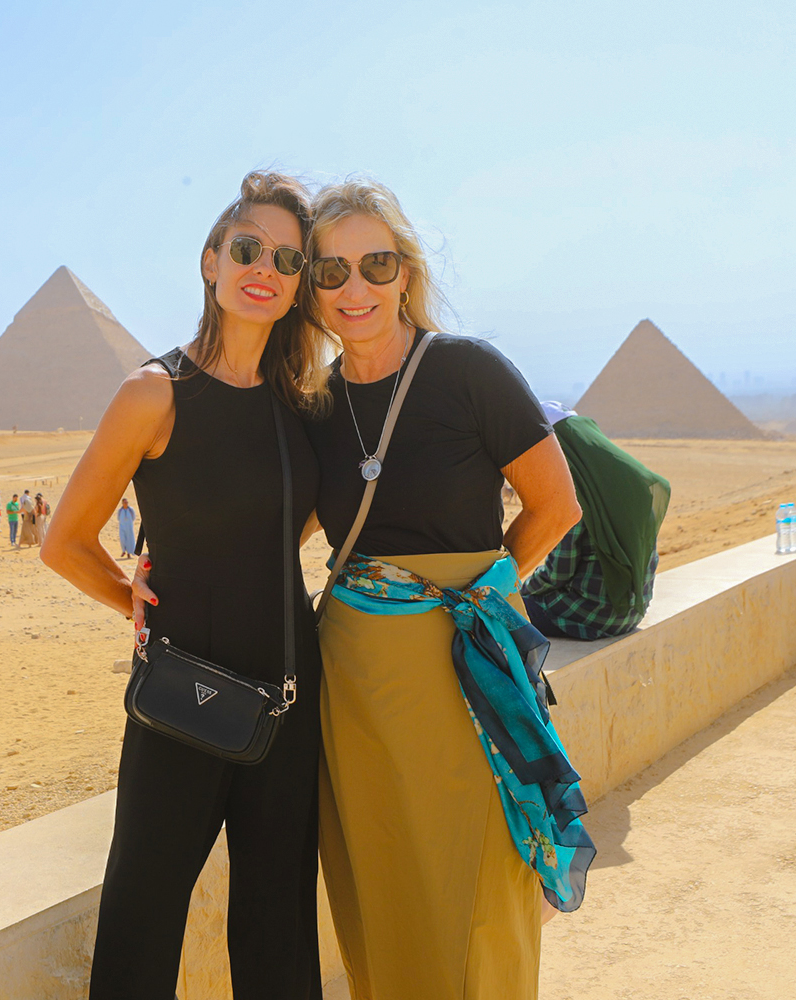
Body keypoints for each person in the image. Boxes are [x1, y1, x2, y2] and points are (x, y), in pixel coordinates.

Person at [301, 177, 592, 998]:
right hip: (356, 679)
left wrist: (478, 596)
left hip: (463, 670)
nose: (355, 289)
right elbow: (277, 528)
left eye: (375, 264)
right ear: (312, 289)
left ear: (406, 271)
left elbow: (555, 505)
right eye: (332, 272)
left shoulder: (468, 371)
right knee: (381, 873)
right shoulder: (314, 404)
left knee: (480, 871)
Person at [41, 170, 327, 999]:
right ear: (210, 261)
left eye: (286, 258)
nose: (263, 268)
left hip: (287, 693)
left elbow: (301, 517)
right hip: (181, 698)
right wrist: (126, 593)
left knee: (278, 923)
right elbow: (65, 541)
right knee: (143, 918)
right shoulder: (153, 393)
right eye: (247, 249)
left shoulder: (301, 403)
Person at [522, 402, 670, 639]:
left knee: (494, 616)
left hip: (589, 615)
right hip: (631, 612)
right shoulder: (631, 484)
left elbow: (558, 572)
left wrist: (521, 592)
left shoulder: (579, 494)